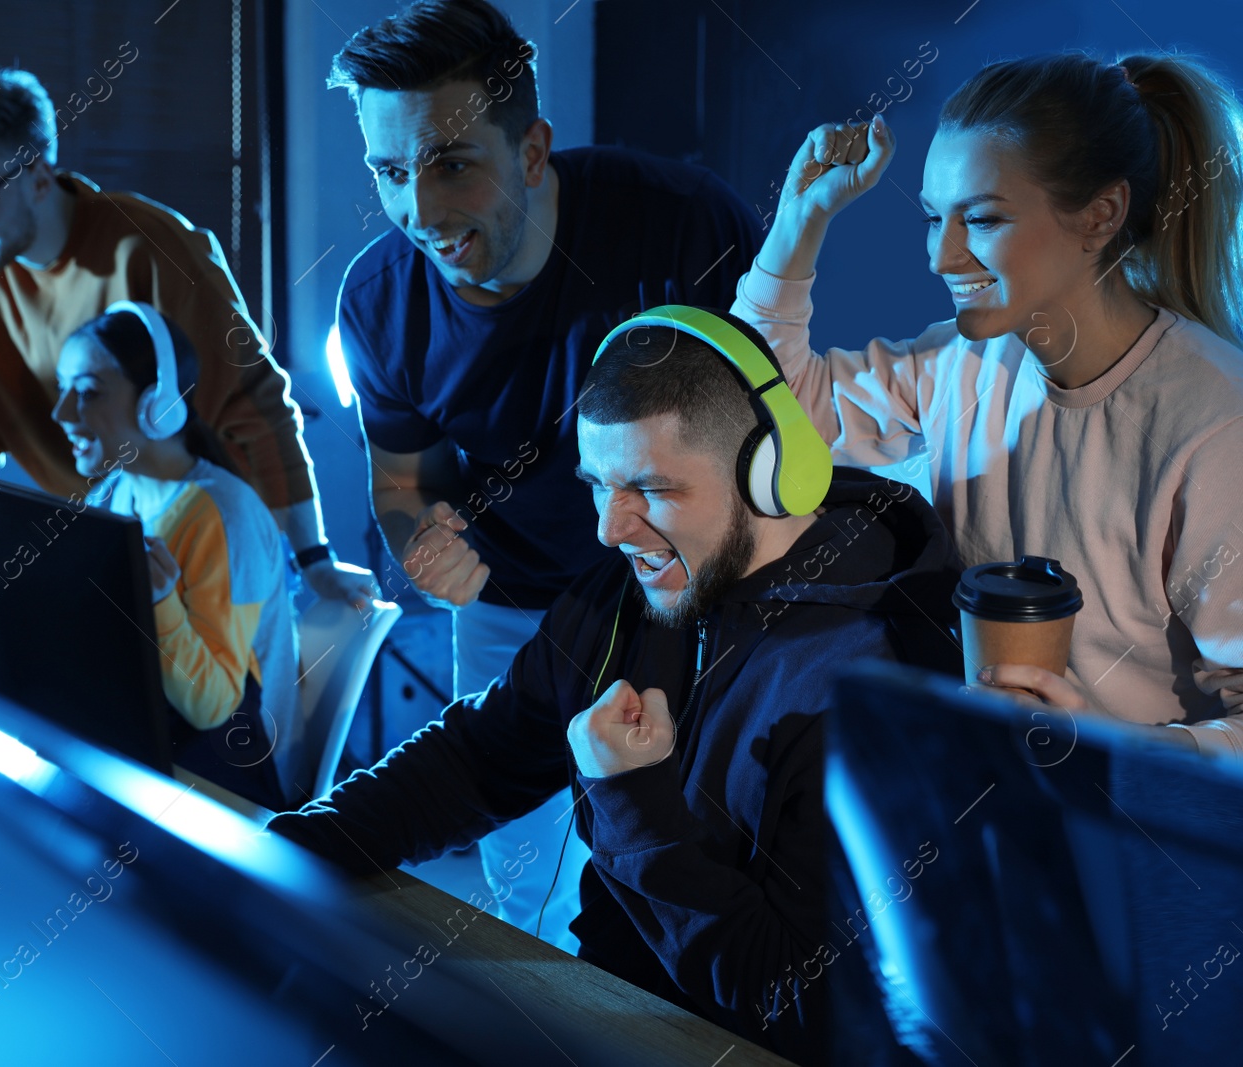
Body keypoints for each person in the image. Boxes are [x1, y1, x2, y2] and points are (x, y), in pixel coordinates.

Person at [270, 307, 967, 1063]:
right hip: (605, 1018)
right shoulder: (629, 590)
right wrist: (294, 844)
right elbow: (483, 753)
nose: (610, 527)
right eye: (598, 485)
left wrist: (634, 804)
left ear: (771, 474)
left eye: (649, 489)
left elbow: (797, 996)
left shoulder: (868, 676)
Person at [329, 0, 762, 949]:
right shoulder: (377, 298)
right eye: (390, 172)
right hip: (514, 610)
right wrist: (419, 546)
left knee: (680, 884)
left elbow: (779, 440)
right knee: (525, 894)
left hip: (681, 602)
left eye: (451, 165)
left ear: (531, 152)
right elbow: (403, 485)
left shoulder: (685, 226)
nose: (419, 210)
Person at [737, 52, 1243, 752]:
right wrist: (803, 218)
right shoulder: (960, 360)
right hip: (983, 793)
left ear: (1101, 215)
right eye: (931, 219)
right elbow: (772, 411)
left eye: (979, 219)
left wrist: (1102, 748)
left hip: (1128, 832)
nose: (940, 257)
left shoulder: (1218, 423)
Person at [0, 61, 376, 610]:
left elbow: (253, 406)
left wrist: (312, 560)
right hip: (108, 550)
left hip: (210, 546)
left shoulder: (149, 247)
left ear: (39, 178)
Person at [52, 302, 298, 810]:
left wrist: (159, 598)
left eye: (88, 392)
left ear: (156, 405)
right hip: (144, 744)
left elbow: (214, 707)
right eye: (63, 389)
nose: (62, 414)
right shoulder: (118, 492)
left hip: (223, 785)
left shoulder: (221, 513)